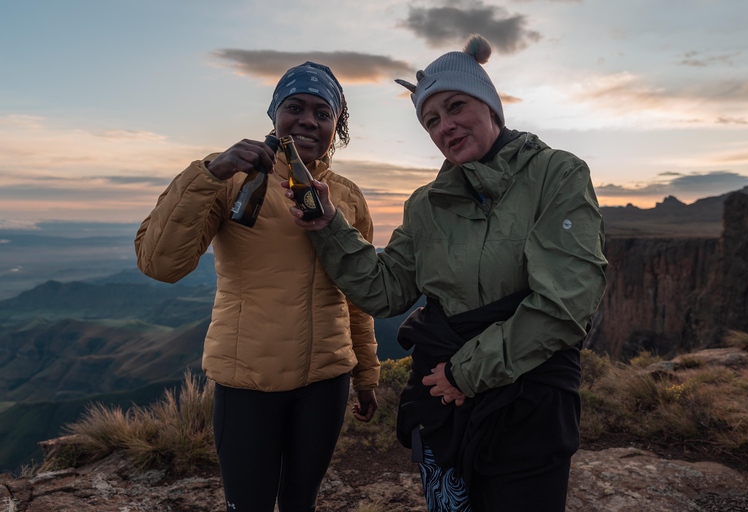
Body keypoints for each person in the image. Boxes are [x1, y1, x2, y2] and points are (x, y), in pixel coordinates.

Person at [284, 36, 608, 512]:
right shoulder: (425, 204)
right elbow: (386, 289)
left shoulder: (556, 175)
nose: (445, 126)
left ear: (491, 104)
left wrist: (465, 372)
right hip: (443, 404)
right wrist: (329, 227)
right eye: (431, 120)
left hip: (526, 404)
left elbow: (565, 303)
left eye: (456, 106)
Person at [134, 61, 380, 512]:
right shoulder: (233, 180)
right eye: (295, 107)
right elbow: (160, 264)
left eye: (323, 113)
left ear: (335, 127)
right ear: (274, 114)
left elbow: (357, 295)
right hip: (247, 382)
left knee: (300, 502)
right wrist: (211, 172)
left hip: (326, 382)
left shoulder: (346, 195)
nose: (308, 120)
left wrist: (366, 374)